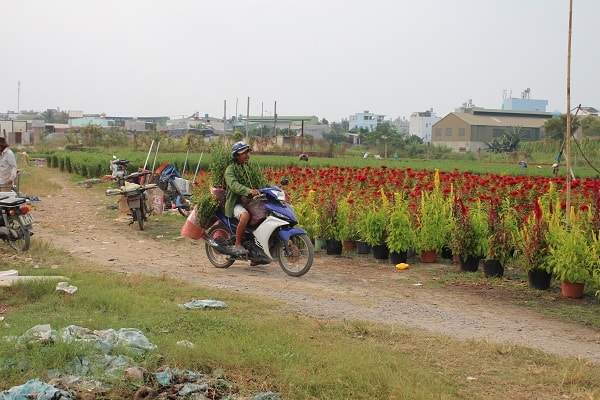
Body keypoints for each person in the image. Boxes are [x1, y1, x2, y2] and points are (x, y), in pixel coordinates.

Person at [224, 141, 261, 255]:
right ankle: (238, 244)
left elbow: (260, 182)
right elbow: (234, 185)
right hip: (236, 203)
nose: (247, 155)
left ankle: (257, 253)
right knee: (245, 216)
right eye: (244, 153)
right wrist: (249, 191)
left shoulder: (249, 169)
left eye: (248, 152)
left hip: (251, 203)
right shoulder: (230, 170)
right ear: (236, 155)